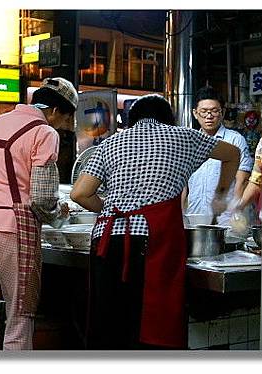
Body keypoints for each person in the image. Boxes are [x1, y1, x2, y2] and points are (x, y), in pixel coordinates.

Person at [70, 94, 240, 349]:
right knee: (151, 325)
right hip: (153, 240)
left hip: (107, 240)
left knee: (110, 324)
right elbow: (232, 153)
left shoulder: (110, 143)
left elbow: (79, 193)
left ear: (132, 118)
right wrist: (221, 193)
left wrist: (112, 209)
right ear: (168, 119)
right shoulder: (183, 136)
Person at [0, 77, 77, 350]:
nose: (62, 126)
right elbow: (43, 197)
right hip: (12, 228)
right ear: (56, 111)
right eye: (65, 119)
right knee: (19, 315)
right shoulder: (44, 132)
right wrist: (59, 215)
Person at [182, 86, 253, 225]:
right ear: (195, 113)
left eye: (214, 111)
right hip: (194, 218)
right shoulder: (189, 142)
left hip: (225, 221)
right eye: (204, 111)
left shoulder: (235, 140)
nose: (209, 116)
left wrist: (236, 211)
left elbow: (242, 179)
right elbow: (183, 185)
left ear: (223, 112)